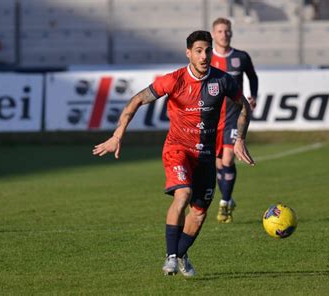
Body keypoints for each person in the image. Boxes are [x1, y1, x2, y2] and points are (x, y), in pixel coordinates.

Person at [93, 30, 255, 277]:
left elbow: (243, 106)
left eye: (207, 50)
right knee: (183, 195)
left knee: (199, 214)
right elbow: (136, 100)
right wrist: (118, 134)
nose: (204, 56)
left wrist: (240, 138)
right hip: (177, 149)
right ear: (188, 53)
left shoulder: (222, 80)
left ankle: (180, 255)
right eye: (198, 51)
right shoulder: (174, 80)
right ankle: (170, 257)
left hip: (206, 156)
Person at [210, 18, 258, 223]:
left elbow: (252, 76)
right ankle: (228, 199)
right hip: (211, 117)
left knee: (228, 159)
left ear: (231, 33)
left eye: (227, 31)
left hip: (233, 116)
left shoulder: (241, 57)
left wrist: (253, 95)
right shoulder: (206, 58)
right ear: (213, 34)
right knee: (219, 163)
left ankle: (225, 203)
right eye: (220, 31)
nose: (224, 34)